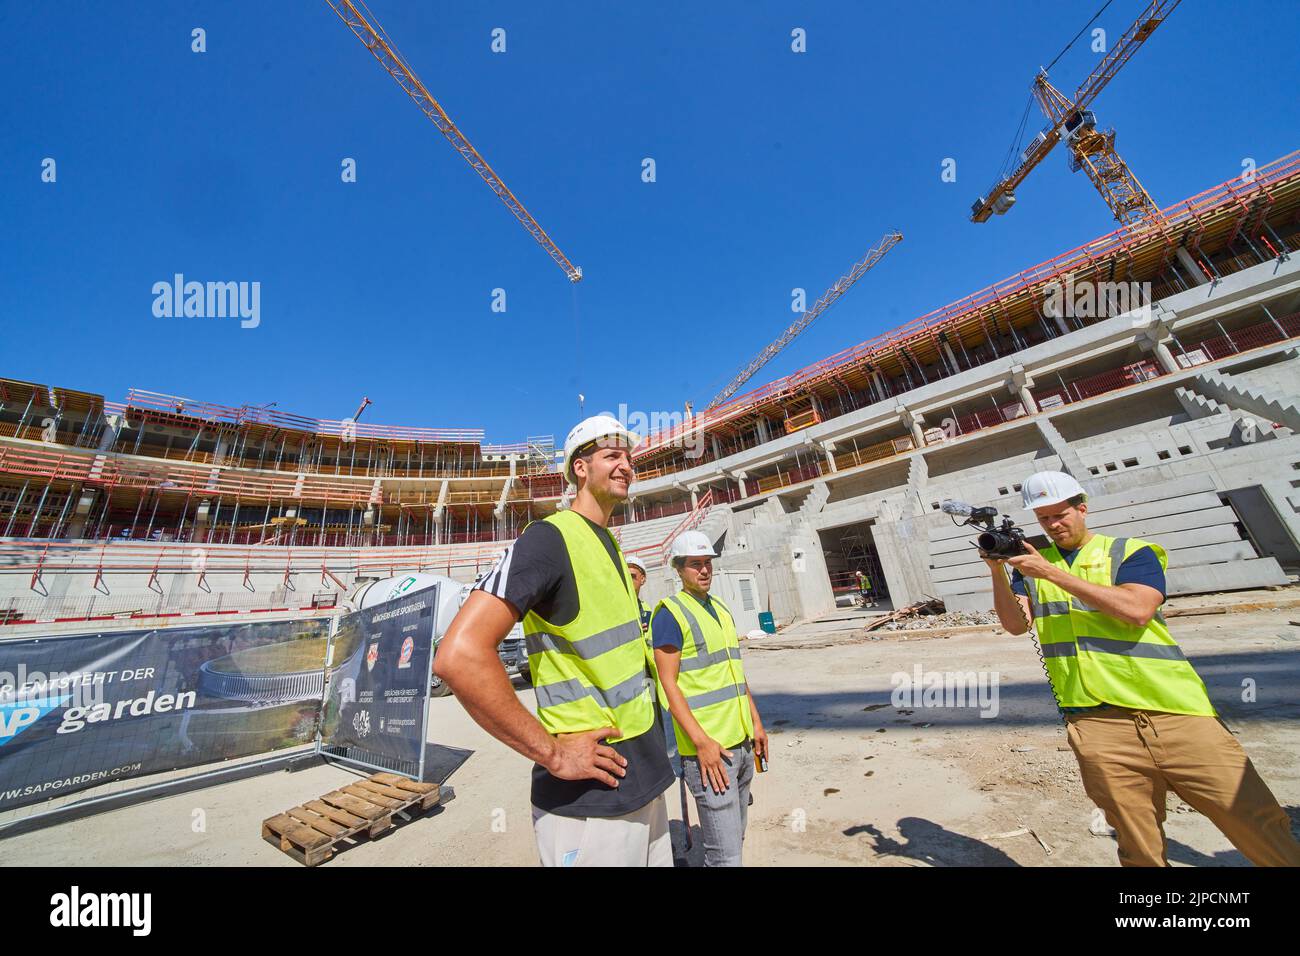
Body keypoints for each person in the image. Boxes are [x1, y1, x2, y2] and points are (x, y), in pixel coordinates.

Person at [986, 470, 1300, 867]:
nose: (1053, 524)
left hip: (1176, 712)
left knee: (1255, 820)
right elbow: (1016, 625)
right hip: (1096, 721)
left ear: (1081, 508)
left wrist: (1052, 574)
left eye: (1060, 514)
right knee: (1137, 843)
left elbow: (1136, 610)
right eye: (1044, 518)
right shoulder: (1031, 566)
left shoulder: (1130, 552)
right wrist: (997, 570)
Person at [435, 415, 674, 867]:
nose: (625, 465)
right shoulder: (550, 539)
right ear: (579, 469)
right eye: (611, 456)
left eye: (628, 456)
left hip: (641, 777)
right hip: (591, 801)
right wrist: (552, 753)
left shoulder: (610, 546)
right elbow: (460, 655)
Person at [652, 530, 768, 866]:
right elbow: (668, 685)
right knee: (725, 857)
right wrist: (701, 742)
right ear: (678, 569)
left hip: (742, 745)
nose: (704, 570)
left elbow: (736, 676)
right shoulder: (669, 614)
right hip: (709, 753)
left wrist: (756, 723)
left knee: (735, 841)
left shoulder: (719, 608)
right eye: (694, 565)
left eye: (707, 563)